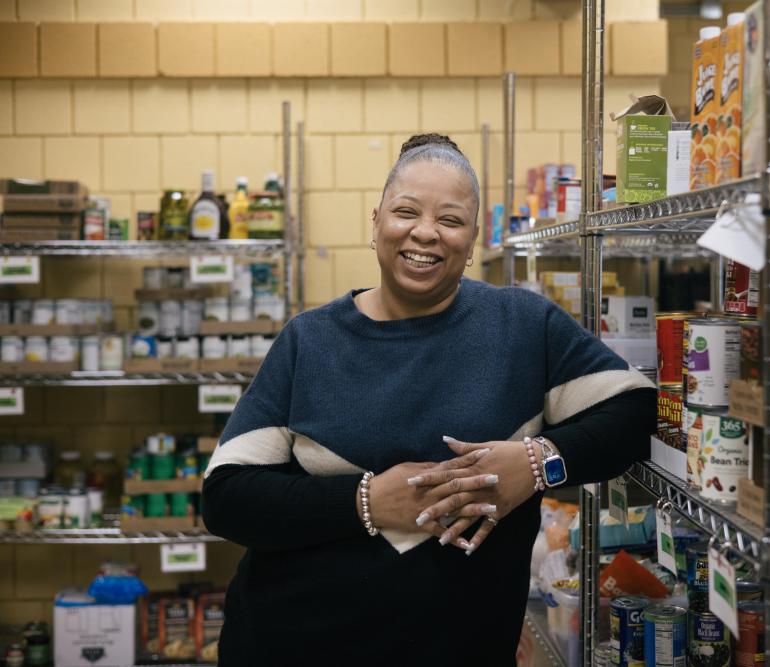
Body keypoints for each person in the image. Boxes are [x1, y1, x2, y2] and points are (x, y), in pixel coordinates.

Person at [202, 133, 657, 665]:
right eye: (406, 212)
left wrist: (537, 464)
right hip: (292, 643)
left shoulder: (522, 327)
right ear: (375, 222)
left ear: (473, 238)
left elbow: (635, 412)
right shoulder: (311, 340)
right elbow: (227, 497)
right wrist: (367, 502)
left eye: (450, 219)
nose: (425, 233)